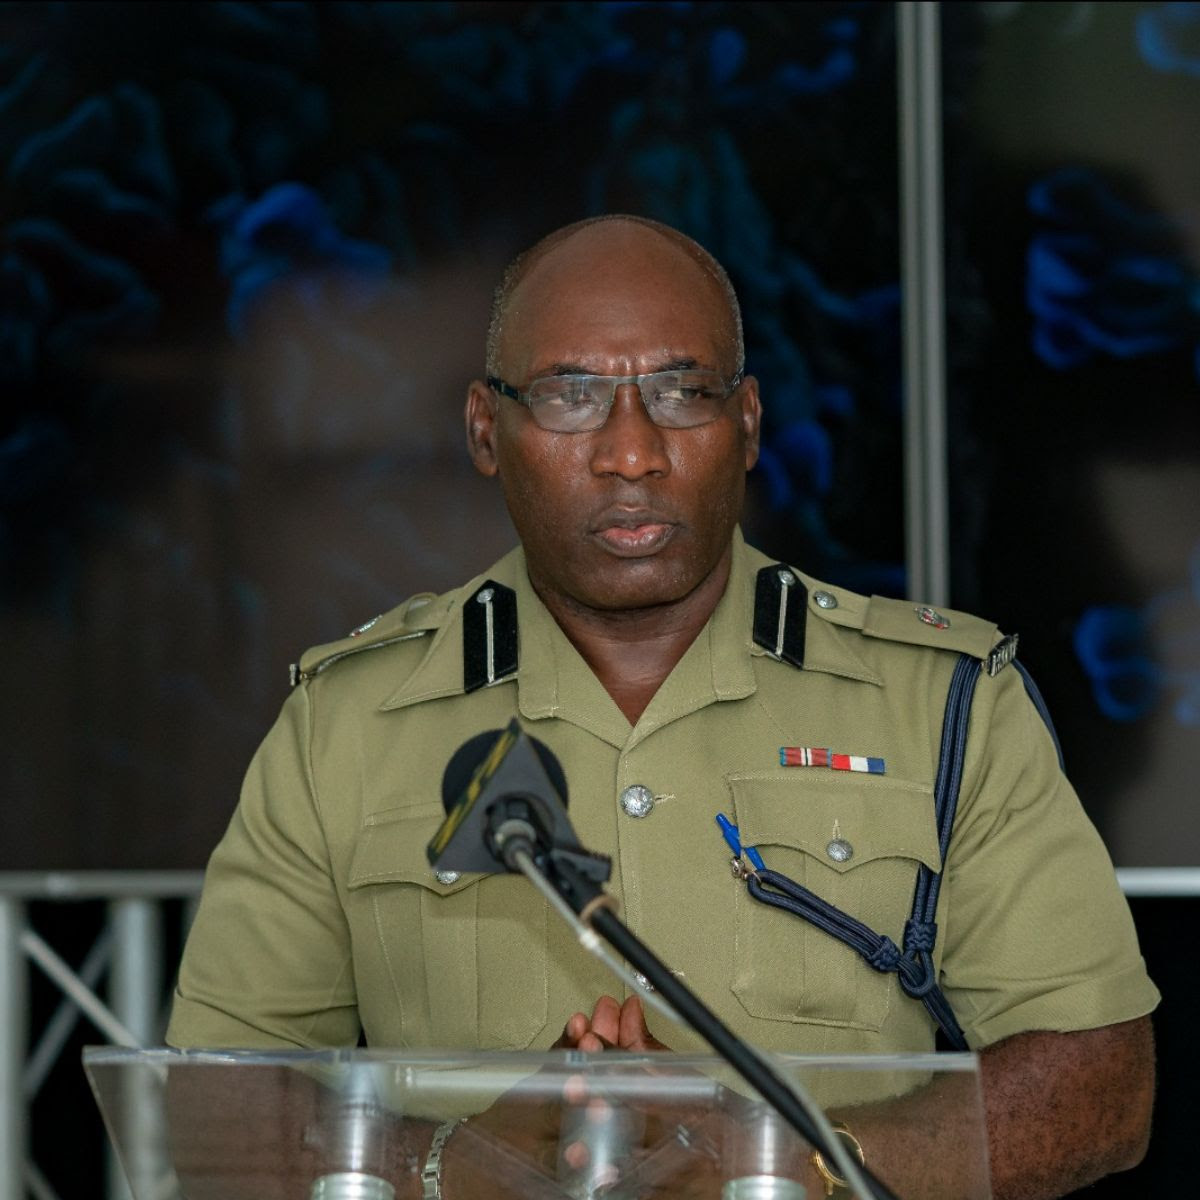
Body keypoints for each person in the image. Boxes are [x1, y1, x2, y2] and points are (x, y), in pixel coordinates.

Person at [167, 215, 1158, 1199]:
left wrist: (783, 1159)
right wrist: (448, 1165)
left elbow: (1101, 1087)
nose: (632, 452)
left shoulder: (940, 702)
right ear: (484, 430)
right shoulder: (348, 722)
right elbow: (213, 1104)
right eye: (570, 395)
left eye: (683, 392)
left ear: (749, 423)